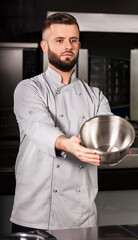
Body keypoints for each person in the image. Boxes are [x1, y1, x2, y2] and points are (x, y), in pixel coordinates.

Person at [10, 12, 112, 232]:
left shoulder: (95, 96)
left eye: (73, 40)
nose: (68, 46)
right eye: (59, 40)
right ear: (44, 46)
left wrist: (115, 148)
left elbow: (108, 133)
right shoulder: (29, 88)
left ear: (79, 44)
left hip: (81, 216)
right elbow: (38, 126)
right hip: (36, 213)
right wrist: (67, 144)